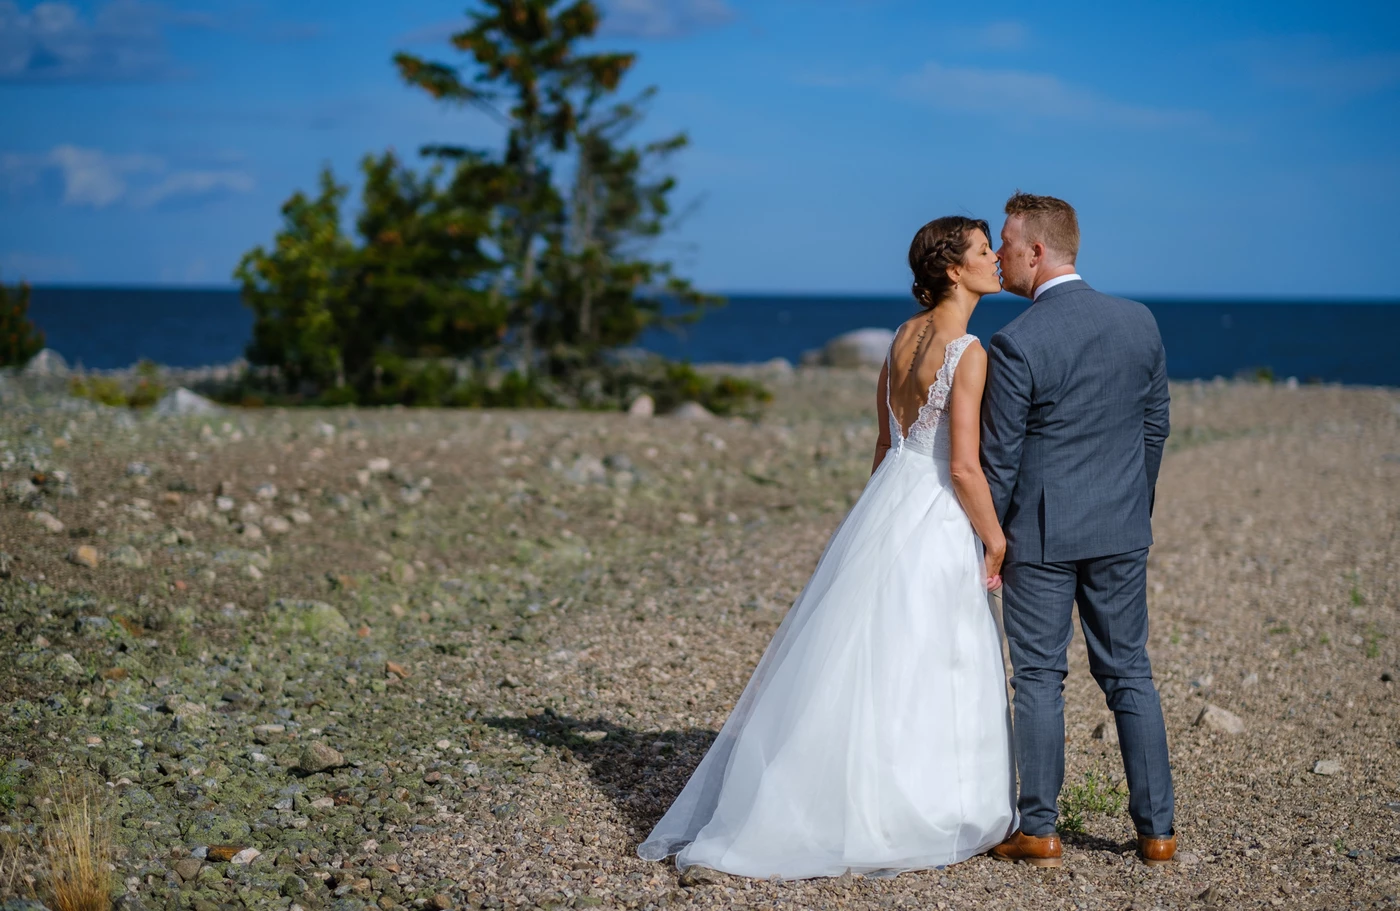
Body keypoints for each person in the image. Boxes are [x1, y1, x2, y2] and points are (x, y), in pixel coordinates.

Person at [637, 215, 1016, 879]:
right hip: (931, 510)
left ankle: (830, 790)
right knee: (930, 655)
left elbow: (884, 445)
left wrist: (871, 523)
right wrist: (995, 539)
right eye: (985, 252)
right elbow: (962, 467)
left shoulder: (900, 339)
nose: (997, 261)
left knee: (868, 656)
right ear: (954, 270)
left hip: (886, 501)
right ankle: (916, 804)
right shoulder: (968, 351)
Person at [983, 191, 1176, 869]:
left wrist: (991, 538)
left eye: (1006, 242)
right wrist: (1135, 503)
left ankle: (1039, 829)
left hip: (1038, 534)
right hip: (1122, 525)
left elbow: (999, 457)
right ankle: (1158, 833)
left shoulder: (1016, 341)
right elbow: (1156, 426)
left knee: (1038, 676)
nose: (999, 254)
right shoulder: (1139, 322)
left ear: (1037, 250)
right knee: (1130, 674)